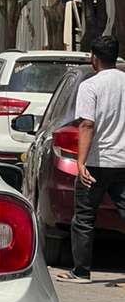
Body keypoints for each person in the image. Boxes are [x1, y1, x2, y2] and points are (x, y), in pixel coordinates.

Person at [59, 35, 125, 281]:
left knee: (85, 216)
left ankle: (81, 270)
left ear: (94, 58)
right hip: (123, 162)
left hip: (98, 163)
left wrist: (80, 161)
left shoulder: (90, 86)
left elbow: (87, 124)